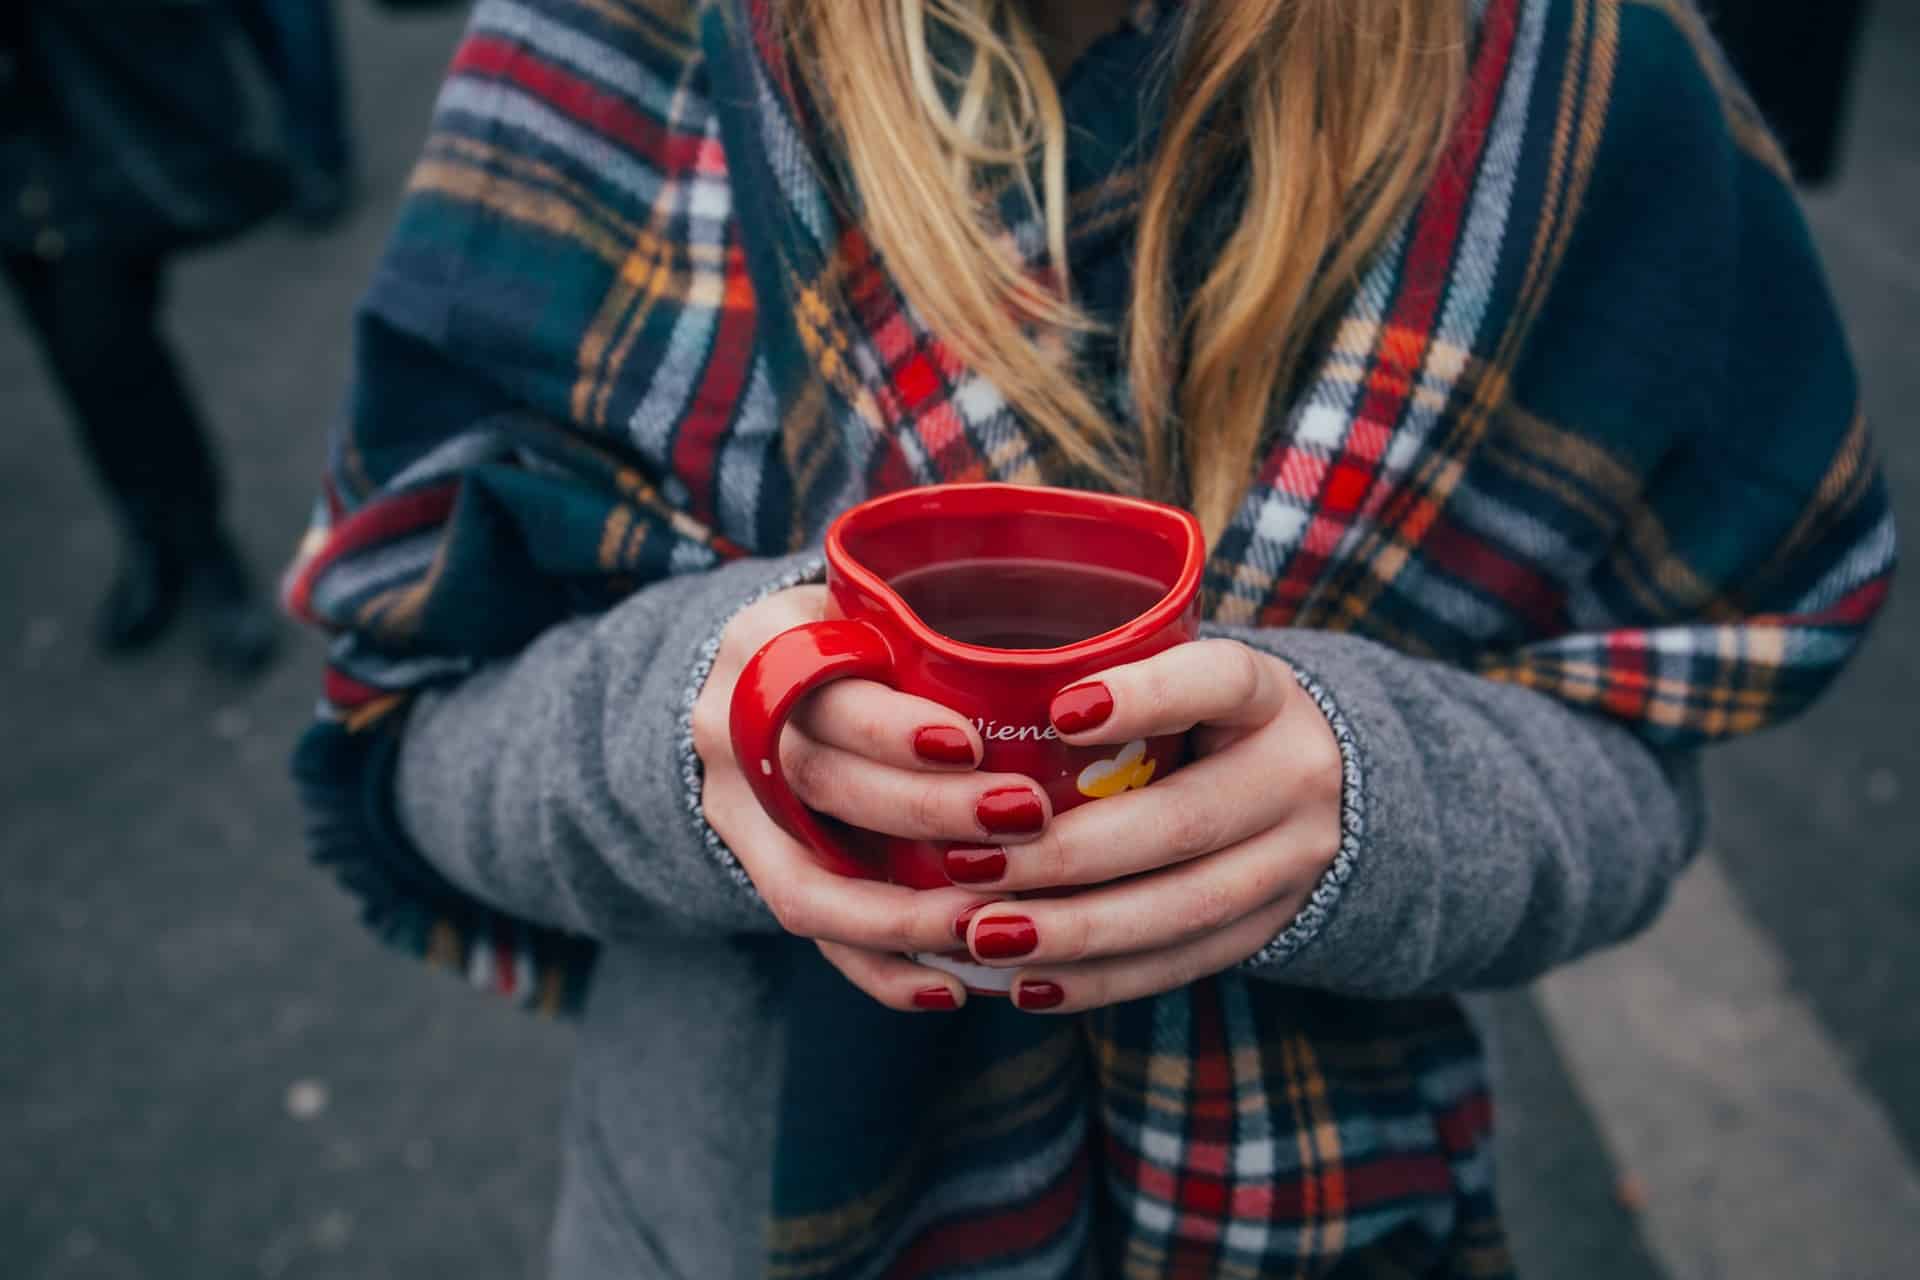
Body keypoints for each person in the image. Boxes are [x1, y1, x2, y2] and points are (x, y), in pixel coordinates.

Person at [285, 0, 1895, 1275]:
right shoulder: (624, 41)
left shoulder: (1573, 80)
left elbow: (1638, 767)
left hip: (1321, 1219)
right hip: (726, 1219)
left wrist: (1368, 802)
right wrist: (706, 723)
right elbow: (418, 728)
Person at [4, 0, 281, 675]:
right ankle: (150, 535)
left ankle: (203, 546)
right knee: (72, 356)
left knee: (110, 341)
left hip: (81, 108)